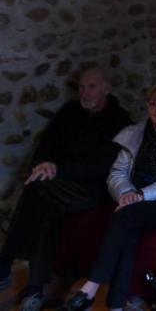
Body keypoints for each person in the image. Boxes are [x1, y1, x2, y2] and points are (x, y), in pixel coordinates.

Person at [0, 68, 131, 311]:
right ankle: (34, 288)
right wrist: (43, 164)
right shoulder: (70, 112)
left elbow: (100, 166)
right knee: (44, 196)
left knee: (39, 189)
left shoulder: (120, 120)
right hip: (57, 183)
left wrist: (56, 170)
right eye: (81, 87)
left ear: (106, 89)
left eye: (91, 87)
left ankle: (7, 266)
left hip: (91, 190)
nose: (84, 92)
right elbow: (47, 143)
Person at [59, 85, 156, 311]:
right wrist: (125, 193)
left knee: (125, 217)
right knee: (129, 229)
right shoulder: (136, 133)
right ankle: (115, 304)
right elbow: (117, 172)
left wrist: (141, 195)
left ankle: (90, 288)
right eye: (153, 103)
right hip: (133, 197)